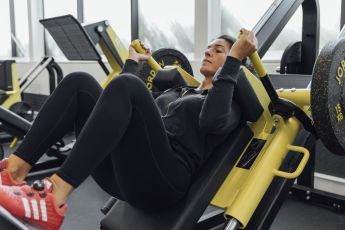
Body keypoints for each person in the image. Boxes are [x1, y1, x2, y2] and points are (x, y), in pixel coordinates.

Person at [0, 28, 257, 230]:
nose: (209, 51)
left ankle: (52, 198)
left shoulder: (230, 102)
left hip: (161, 183)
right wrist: (133, 63)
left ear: (235, 59)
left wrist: (234, 61)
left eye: (219, 49)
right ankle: (14, 172)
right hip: (125, 173)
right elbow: (117, 108)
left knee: (129, 86)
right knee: (80, 83)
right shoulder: (181, 90)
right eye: (208, 47)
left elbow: (211, 122)